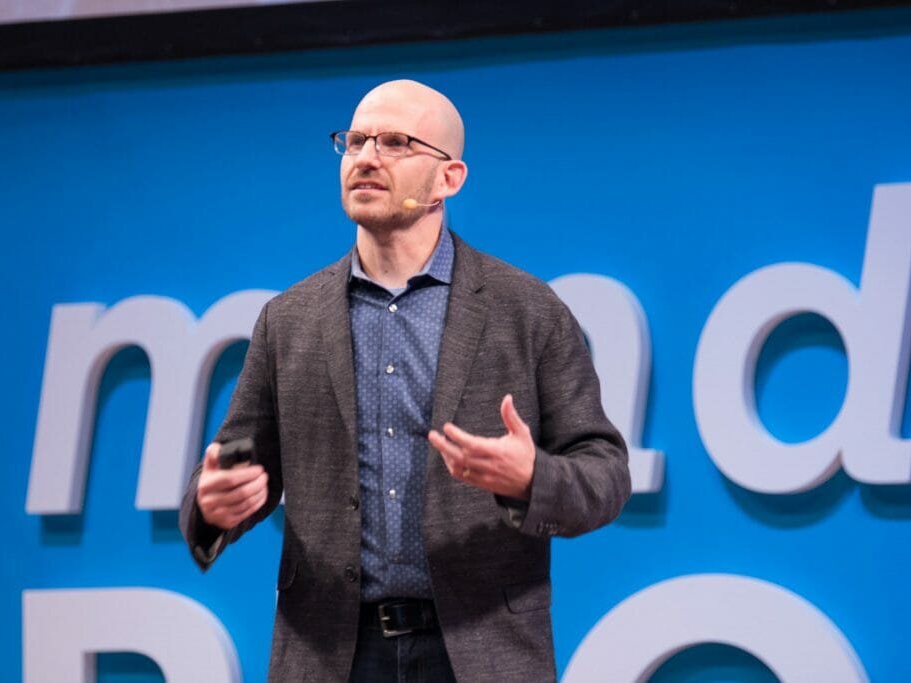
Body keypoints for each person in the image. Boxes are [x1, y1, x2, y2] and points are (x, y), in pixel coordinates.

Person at [180, 79, 631, 682]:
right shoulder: (288, 320)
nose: (365, 157)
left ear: (450, 178)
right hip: (332, 653)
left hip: (478, 652)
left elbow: (605, 472)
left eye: (395, 143)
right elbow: (234, 467)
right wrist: (213, 507)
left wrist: (531, 479)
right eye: (355, 141)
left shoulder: (526, 309)